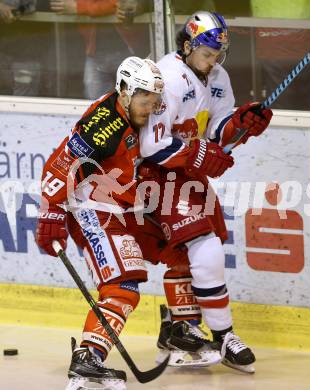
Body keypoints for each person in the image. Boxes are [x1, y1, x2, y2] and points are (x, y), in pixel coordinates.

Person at [139, 10, 273, 373]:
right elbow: (151, 146)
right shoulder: (165, 77)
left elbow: (216, 130)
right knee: (206, 248)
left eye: (218, 54)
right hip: (153, 175)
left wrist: (241, 123)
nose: (214, 61)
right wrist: (199, 154)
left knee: (189, 254)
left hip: (186, 174)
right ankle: (223, 335)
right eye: (208, 54)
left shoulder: (218, 76)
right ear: (187, 46)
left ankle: (178, 332)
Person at [34, 56, 168, 390]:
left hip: (117, 206)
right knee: (122, 287)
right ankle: (87, 361)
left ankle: (93, 357)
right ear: (123, 90)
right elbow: (65, 160)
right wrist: (51, 209)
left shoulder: (133, 112)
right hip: (91, 207)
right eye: (143, 99)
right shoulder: (106, 122)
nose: (149, 107)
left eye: (153, 100)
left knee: (137, 278)